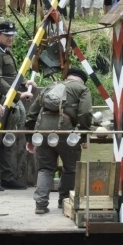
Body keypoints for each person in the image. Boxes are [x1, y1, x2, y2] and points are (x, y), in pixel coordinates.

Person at [25, 67, 92, 213]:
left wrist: (30, 138)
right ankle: (65, 202)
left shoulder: (50, 87)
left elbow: (32, 114)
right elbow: (85, 113)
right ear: (82, 80)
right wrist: (84, 136)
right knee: (70, 168)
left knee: (45, 168)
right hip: (66, 132)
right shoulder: (82, 89)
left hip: (43, 132)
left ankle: (40, 204)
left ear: (67, 77)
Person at [0, 21, 34, 190]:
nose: (10, 38)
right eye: (6, 35)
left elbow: (12, 75)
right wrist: (18, 94)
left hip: (7, 101)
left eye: (12, 35)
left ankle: (6, 177)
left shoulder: (5, 50)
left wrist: (25, 82)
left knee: (6, 140)